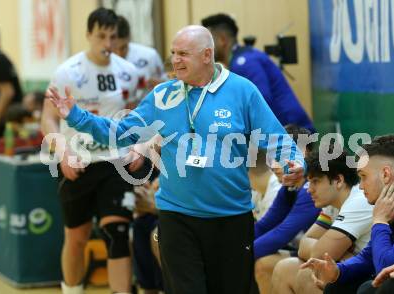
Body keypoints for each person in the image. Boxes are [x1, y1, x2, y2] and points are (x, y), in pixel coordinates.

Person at [46, 25, 305, 294]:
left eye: (183, 53)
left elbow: (276, 138)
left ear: (207, 55)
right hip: (177, 217)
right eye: (173, 53)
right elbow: (122, 133)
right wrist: (77, 117)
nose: (175, 60)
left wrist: (293, 163)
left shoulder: (242, 91)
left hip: (231, 217)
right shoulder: (163, 95)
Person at [40, 8, 139, 294]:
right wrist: (62, 152)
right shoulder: (67, 72)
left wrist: (136, 146)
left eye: (112, 36)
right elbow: (47, 118)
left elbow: (132, 115)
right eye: (101, 36)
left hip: (115, 163)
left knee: (118, 233)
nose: (107, 43)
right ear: (88, 35)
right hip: (78, 162)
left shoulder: (128, 72)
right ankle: (71, 290)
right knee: (76, 237)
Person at [301, 135, 394, 294]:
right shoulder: (390, 205)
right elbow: (368, 257)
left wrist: (379, 221)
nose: (360, 186)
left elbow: (388, 269)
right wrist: (338, 271)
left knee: (392, 288)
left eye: (363, 177)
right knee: (338, 287)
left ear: (385, 174)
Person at [272, 146, 373, 294]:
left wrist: (331, 252)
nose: (309, 189)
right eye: (308, 182)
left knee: (309, 275)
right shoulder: (332, 204)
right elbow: (304, 245)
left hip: (373, 275)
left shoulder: (358, 201)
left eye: (315, 181)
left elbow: (317, 254)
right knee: (285, 268)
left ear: (338, 180)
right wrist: (340, 253)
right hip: (351, 268)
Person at [201, 13, 315, 133]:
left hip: (295, 134)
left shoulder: (245, 62)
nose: (205, 48)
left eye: (208, 42)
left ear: (222, 40)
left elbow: (260, 102)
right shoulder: (242, 59)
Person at [253, 124, 320, 294]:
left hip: (338, 257)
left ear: (302, 155)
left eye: (280, 157)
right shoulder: (289, 187)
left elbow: (282, 234)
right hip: (313, 252)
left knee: (264, 263)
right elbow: (264, 226)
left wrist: (237, 255)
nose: (274, 165)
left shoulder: (310, 188)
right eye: (272, 157)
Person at [114, 16, 166, 107]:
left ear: (129, 37)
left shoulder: (149, 55)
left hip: (148, 113)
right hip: (116, 115)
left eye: (123, 48)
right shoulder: (103, 61)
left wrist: (159, 84)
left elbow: (167, 83)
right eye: (114, 48)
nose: (119, 53)